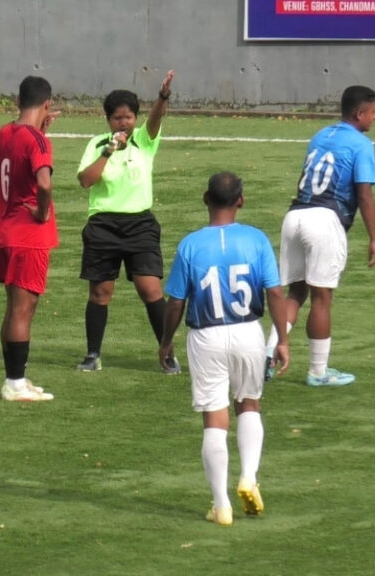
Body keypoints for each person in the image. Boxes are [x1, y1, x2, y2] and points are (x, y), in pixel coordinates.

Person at [158, 172, 290, 526]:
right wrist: (283, 339)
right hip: (248, 330)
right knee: (249, 403)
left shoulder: (190, 245)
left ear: (205, 199)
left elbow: (175, 301)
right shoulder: (256, 239)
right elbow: (275, 293)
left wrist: (166, 340)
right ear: (241, 201)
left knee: (214, 419)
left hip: (206, 336)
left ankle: (222, 505)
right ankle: (248, 476)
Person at [264, 85, 375, 387]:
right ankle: (318, 371)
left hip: (295, 216)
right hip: (325, 220)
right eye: (373, 112)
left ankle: (267, 355)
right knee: (321, 297)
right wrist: (374, 238)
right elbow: (364, 194)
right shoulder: (361, 144)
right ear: (360, 113)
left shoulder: (320, 135)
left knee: (297, 293)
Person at [75, 70, 181, 374]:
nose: (124, 123)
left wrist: (162, 97)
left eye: (129, 117)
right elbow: (86, 180)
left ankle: (167, 353)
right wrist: (109, 152)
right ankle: (93, 354)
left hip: (140, 225)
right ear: (108, 120)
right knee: (100, 293)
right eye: (118, 118)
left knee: (150, 289)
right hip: (103, 225)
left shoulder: (145, 142)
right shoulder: (98, 144)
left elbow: (156, 120)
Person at [0, 75, 59, 402]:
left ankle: (14, 378)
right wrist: (43, 212)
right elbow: (43, 184)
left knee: (13, 307)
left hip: (6, 232)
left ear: (17, 101)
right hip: (28, 234)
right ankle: (15, 384)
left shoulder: (4, 133)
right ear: (47, 104)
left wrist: (40, 131)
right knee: (23, 309)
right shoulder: (38, 142)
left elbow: (20, 156)